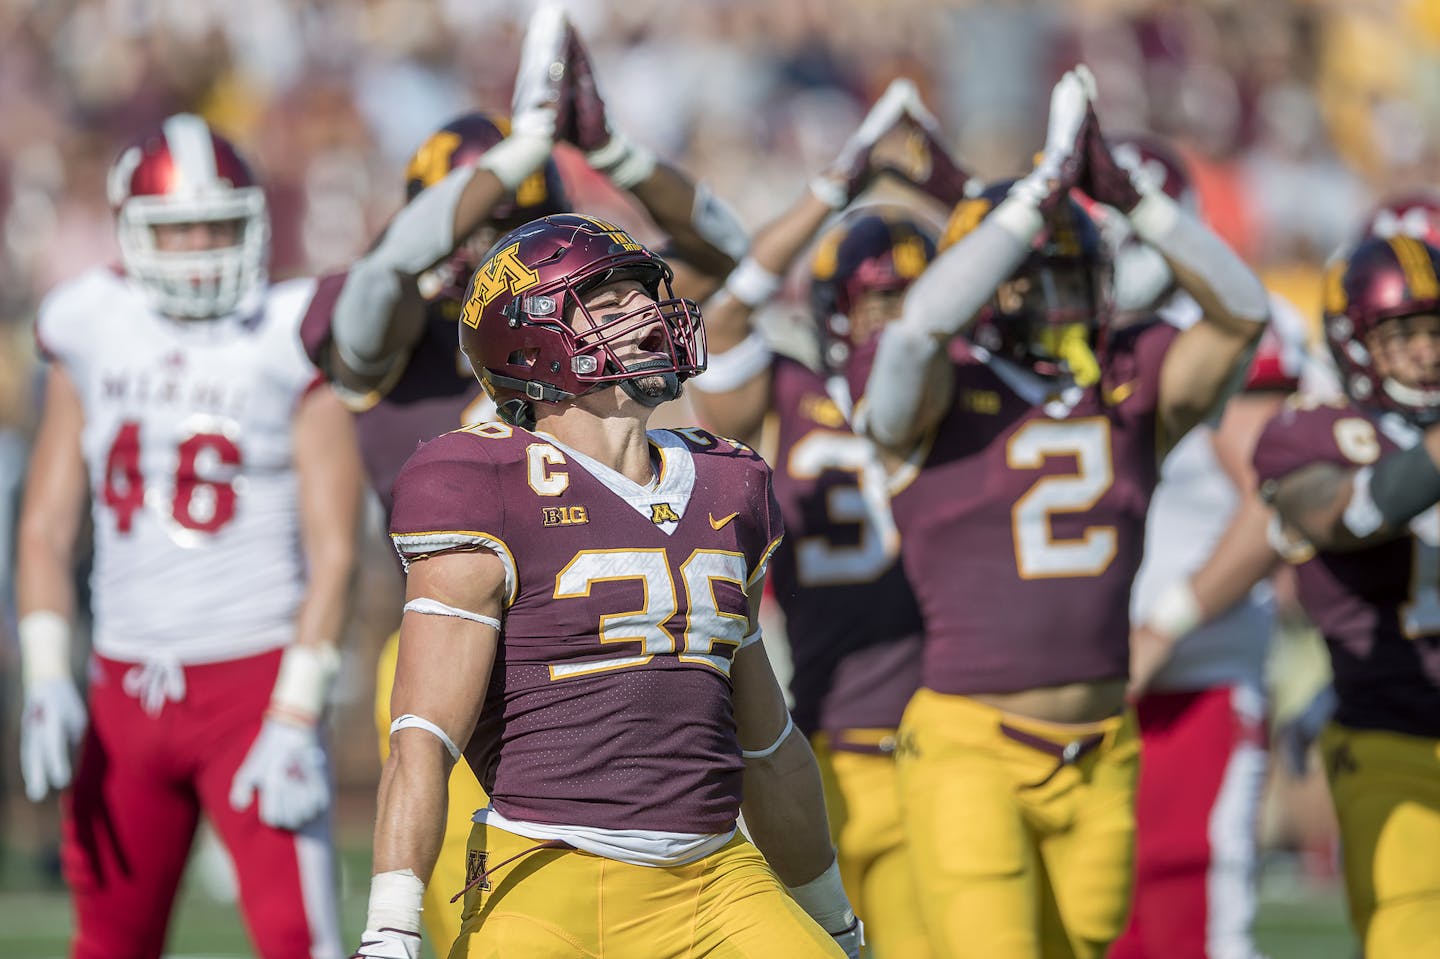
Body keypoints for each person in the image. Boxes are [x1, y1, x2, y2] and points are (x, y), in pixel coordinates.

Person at [298, 5, 750, 947]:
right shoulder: (397, 334)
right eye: (486, 218)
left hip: (616, 624)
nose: (505, 246)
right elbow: (384, 277)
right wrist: (514, 155)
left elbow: (724, 259)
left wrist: (613, 153)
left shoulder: (581, 312)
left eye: (524, 220)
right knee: (453, 913)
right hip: (461, 649)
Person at [349, 214, 861, 959]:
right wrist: (391, 926)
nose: (647, 315)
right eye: (610, 303)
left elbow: (768, 742)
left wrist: (836, 922)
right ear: (532, 339)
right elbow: (422, 737)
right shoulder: (482, 482)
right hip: (547, 879)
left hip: (716, 877)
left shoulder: (727, 479)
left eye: (644, 297)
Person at [851, 67, 1270, 959]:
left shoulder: (1128, 374)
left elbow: (1243, 314)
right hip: (970, 746)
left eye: (1078, 276)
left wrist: (1139, 205)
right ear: (992, 281)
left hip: (1104, 744)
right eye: (1043, 278)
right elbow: (921, 327)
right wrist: (1034, 197)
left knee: (1083, 944)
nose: (1067, 300)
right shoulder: (932, 389)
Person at [15, 113, 361, 959]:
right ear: (134, 234)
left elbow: (338, 551)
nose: (203, 247)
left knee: (298, 941)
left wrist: (295, 710)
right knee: (108, 943)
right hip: (123, 687)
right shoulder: (91, 325)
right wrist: (46, 671)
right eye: (179, 229)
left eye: (219, 225)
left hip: (252, 684)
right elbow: (47, 524)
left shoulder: (289, 329)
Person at [688, 77, 964, 959]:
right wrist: (837, 184)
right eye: (880, 302)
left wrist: (946, 188)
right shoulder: (792, 395)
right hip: (838, 732)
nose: (897, 325)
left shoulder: (970, 397)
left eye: (915, 306)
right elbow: (725, 312)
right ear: (840, 306)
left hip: (954, 733)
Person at [1100, 135, 1307, 959]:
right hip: (1070, 677)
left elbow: (1273, 501)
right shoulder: (1063, 322)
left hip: (1196, 668)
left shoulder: (1222, 326)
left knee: (1196, 922)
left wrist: (1163, 625)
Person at [1252, 234, 1440, 959]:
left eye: (1434, 331)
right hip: (1391, 730)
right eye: (1403, 335)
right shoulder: (1316, 430)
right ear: (1356, 342)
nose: (1426, 352)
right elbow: (1347, 514)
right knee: (1413, 936)